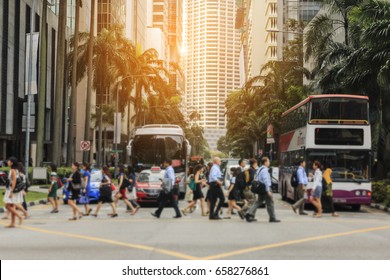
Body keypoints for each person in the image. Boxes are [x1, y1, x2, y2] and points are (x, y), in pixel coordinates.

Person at [245, 157, 280, 223]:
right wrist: (268, 190)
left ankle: (249, 213)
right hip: (265, 188)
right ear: (265, 162)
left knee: (259, 201)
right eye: (268, 161)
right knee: (270, 203)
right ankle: (272, 218)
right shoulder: (264, 170)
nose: (269, 162)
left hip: (260, 188)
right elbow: (266, 181)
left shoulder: (259, 169)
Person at [3, 157, 24, 228]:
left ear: (11, 163)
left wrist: (11, 191)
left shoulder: (12, 170)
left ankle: (19, 216)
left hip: (13, 190)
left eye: (8, 161)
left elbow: (14, 181)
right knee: (12, 206)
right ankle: (12, 223)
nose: (7, 162)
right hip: (12, 189)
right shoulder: (15, 170)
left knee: (7, 205)